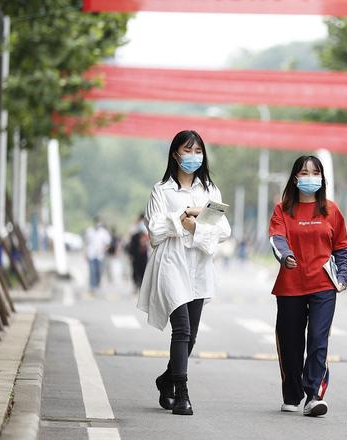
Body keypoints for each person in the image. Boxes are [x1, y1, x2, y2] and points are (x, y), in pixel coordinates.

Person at [137, 130, 231, 416]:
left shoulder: (210, 191)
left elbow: (223, 230)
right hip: (171, 263)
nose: (193, 157)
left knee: (191, 336)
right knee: (182, 329)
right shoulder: (161, 190)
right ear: (175, 154)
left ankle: (166, 380)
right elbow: (154, 231)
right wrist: (180, 220)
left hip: (200, 266)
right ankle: (182, 392)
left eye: (198, 151)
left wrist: (196, 226)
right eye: (187, 151)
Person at [269, 155, 347, 417]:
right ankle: (292, 394)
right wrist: (285, 256)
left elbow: (341, 245)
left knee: (318, 339)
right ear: (295, 178)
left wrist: (343, 275)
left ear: (322, 178)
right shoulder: (283, 209)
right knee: (291, 342)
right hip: (290, 285)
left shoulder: (330, 209)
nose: (310, 178)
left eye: (315, 173)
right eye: (304, 173)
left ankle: (314, 395)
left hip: (323, 285)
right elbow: (277, 239)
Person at [85, 217, 111, 293]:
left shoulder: (104, 232)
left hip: (100, 255)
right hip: (91, 254)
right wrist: (85, 253)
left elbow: (107, 243)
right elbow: (86, 243)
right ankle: (92, 286)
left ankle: (97, 284)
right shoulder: (89, 231)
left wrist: (104, 250)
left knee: (99, 271)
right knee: (92, 271)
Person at [128, 214, 150, 292]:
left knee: (143, 271)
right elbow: (131, 245)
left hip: (143, 255)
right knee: (135, 271)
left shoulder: (147, 232)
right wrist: (130, 255)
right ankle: (136, 285)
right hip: (136, 256)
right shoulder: (134, 234)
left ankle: (141, 285)